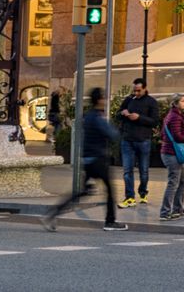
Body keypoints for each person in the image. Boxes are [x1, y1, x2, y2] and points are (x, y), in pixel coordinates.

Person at [43, 88, 127, 232]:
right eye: (104, 98)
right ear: (99, 100)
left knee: (83, 191)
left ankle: (54, 212)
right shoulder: (98, 118)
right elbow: (112, 134)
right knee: (110, 191)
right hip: (98, 160)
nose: (106, 100)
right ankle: (110, 221)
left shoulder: (88, 116)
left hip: (88, 159)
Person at [118, 77, 160, 207]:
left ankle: (143, 193)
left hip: (143, 140)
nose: (136, 93)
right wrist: (123, 113)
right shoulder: (129, 99)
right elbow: (118, 114)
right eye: (134, 90)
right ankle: (129, 197)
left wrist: (139, 117)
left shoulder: (151, 102)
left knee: (144, 170)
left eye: (139, 91)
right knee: (127, 170)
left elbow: (155, 121)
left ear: (145, 89)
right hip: (127, 140)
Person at [158, 94, 184, 221]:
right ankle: (165, 212)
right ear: (175, 103)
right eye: (183, 101)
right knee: (173, 183)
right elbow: (178, 136)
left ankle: (177, 208)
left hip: (172, 153)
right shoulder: (175, 117)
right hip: (171, 154)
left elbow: (163, 134)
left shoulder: (172, 115)